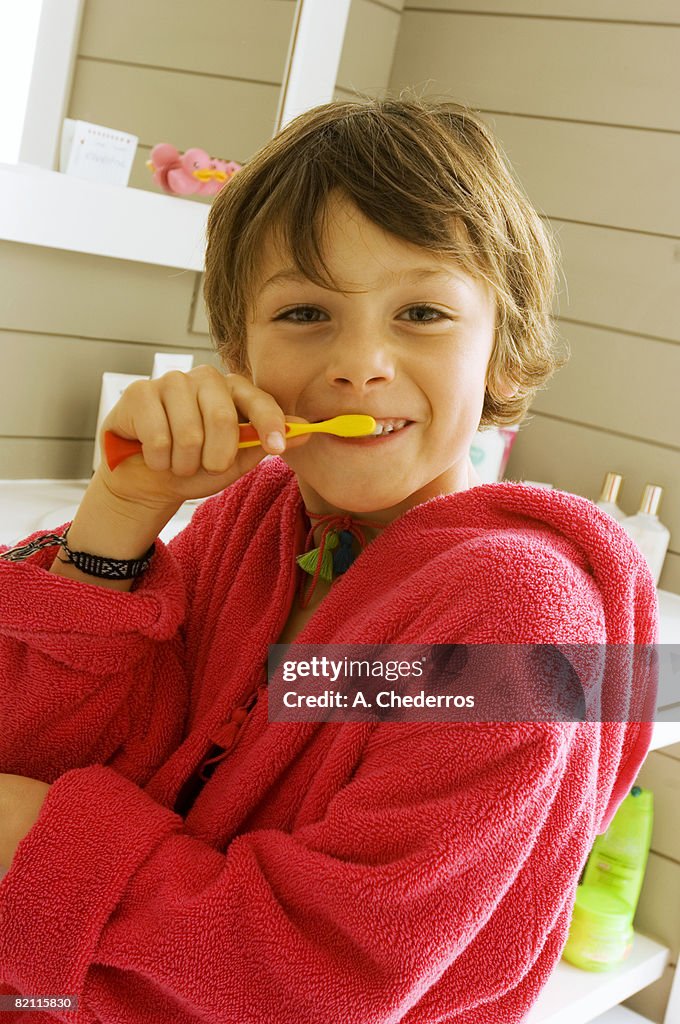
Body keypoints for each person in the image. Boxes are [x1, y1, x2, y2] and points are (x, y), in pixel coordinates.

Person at [0, 95, 658, 1023]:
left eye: (422, 312)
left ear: (503, 357)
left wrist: (41, 841)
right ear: (240, 355)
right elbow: (46, 752)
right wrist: (118, 521)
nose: (360, 363)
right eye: (305, 311)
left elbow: (324, 975)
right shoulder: (251, 523)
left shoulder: (516, 618)